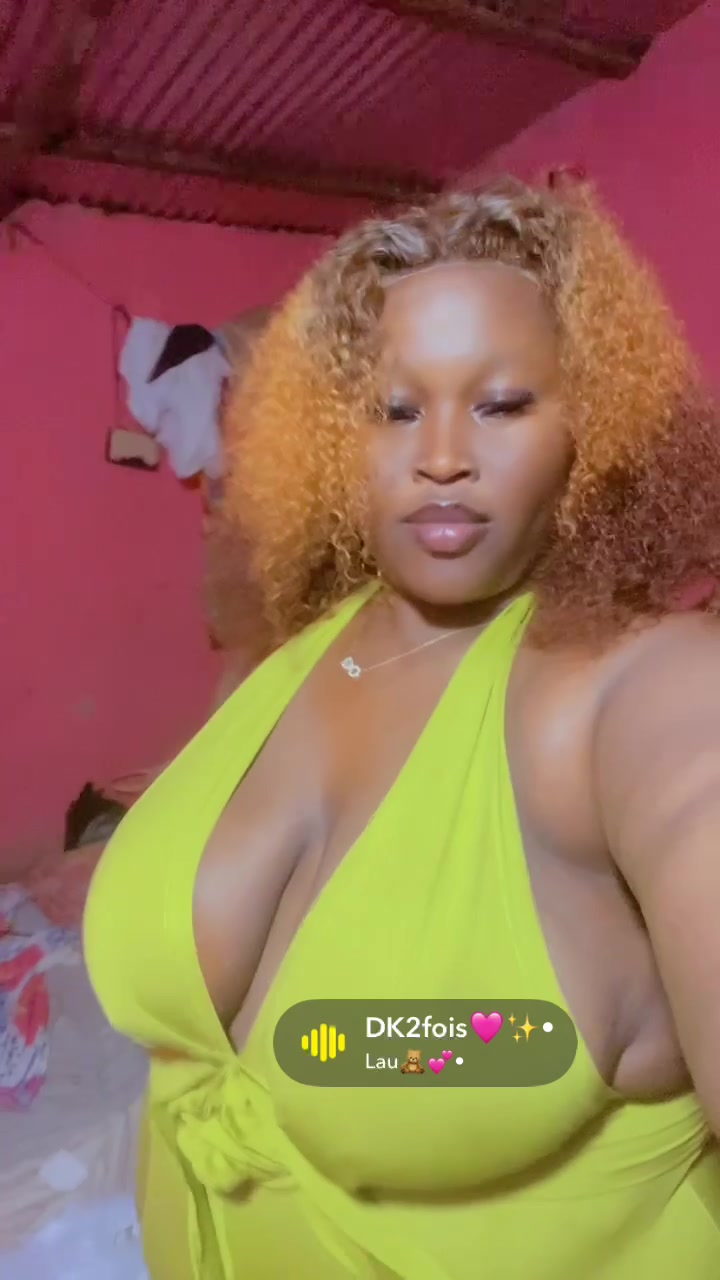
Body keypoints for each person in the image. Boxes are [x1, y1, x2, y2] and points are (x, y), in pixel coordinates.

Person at [83, 178, 720, 1279]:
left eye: (502, 403)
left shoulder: (642, 691)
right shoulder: (287, 658)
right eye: (392, 407)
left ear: (594, 422)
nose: (442, 454)